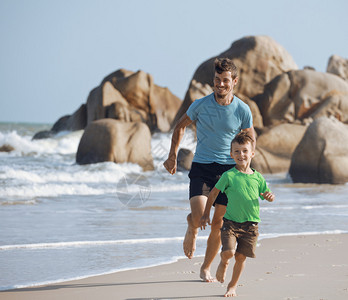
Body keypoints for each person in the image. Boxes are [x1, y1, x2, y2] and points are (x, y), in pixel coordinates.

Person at [163, 58, 255, 282]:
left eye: (225, 81)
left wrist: (246, 166)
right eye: (217, 80)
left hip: (229, 171)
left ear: (234, 82)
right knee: (198, 216)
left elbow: (250, 138)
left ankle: (205, 267)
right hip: (202, 167)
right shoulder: (200, 105)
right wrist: (172, 155)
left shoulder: (242, 109)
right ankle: (191, 225)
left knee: (219, 224)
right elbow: (180, 126)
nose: (220, 85)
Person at [200, 131, 275, 297]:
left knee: (241, 258)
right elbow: (213, 194)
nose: (241, 154)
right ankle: (224, 262)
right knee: (229, 252)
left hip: (251, 225)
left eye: (245, 151)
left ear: (252, 153)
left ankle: (232, 286)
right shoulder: (229, 176)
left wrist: (270, 196)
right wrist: (206, 214)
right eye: (237, 151)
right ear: (231, 155)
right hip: (230, 223)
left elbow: (266, 194)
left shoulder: (258, 178)